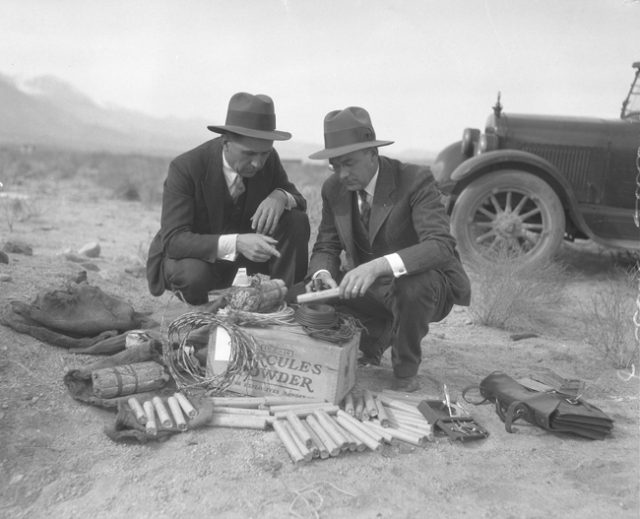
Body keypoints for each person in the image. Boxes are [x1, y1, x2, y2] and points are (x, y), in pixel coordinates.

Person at [305, 106, 471, 392]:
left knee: (412, 286)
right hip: (371, 290)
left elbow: (440, 246)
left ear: (372, 153)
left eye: (349, 163)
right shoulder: (333, 189)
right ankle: (374, 338)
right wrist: (322, 274)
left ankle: (405, 369)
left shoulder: (415, 180)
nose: (342, 174)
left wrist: (378, 265)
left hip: (426, 287)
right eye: (334, 165)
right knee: (304, 296)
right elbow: (326, 245)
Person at [146, 92, 310, 305]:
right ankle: (201, 316)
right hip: (197, 261)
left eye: (264, 154)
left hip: (242, 264)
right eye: (249, 154)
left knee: (296, 220)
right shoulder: (186, 168)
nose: (258, 163)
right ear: (226, 142)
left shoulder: (267, 159)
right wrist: (238, 243)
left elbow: (299, 200)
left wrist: (279, 196)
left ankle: (283, 302)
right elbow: (174, 241)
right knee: (193, 275)